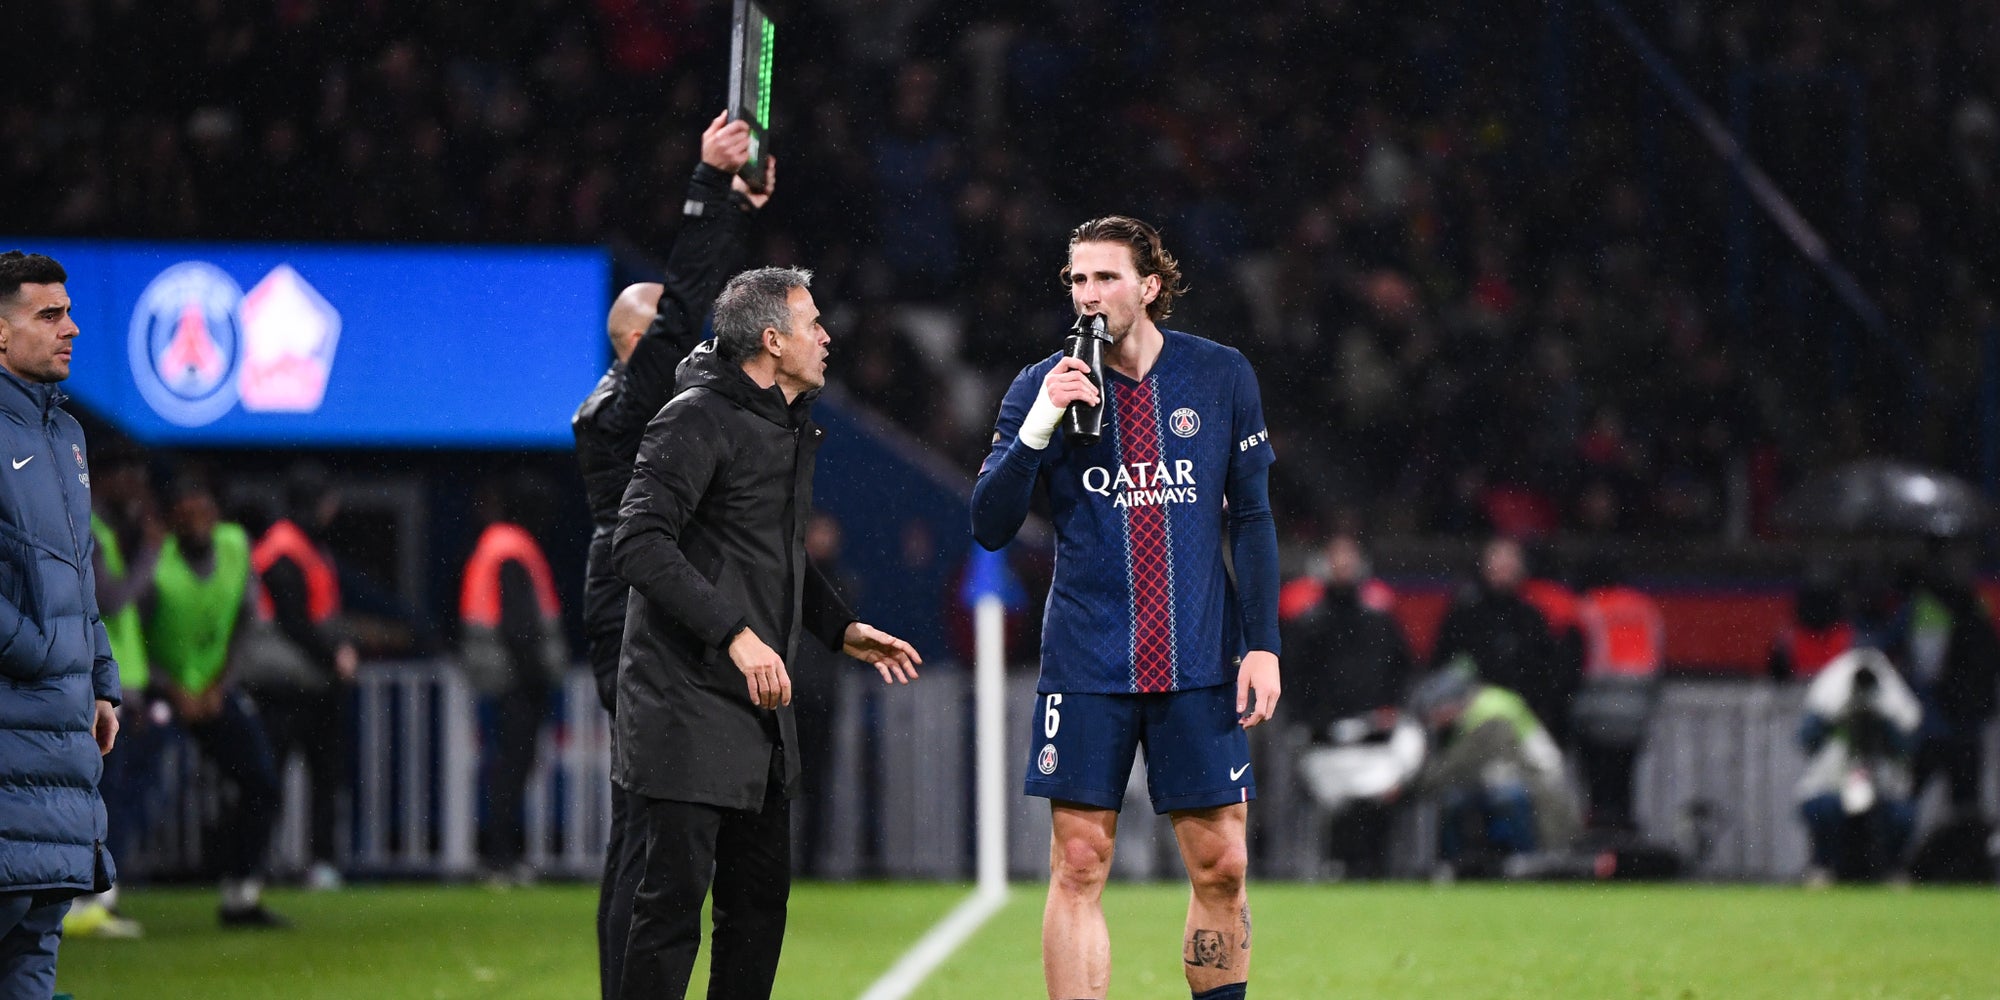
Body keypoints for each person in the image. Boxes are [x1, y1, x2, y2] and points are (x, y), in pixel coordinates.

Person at [971, 216, 1281, 1000]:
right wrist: (1038, 426)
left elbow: (1251, 519)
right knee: (1079, 864)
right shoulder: (1041, 385)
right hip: (1088, 663)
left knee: (1223, 864)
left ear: (1149, 286)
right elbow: (989, 524)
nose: (1088, 294)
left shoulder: (1220, 375)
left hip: (1198, 660)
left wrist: (1263, 644)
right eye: (1077, 279)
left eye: (1105, 277)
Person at [613, 266, 921, 1000]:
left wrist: (840, 628)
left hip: (757, 707)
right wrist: (735, 634)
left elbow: (770, 556)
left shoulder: (785, 424)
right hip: (685, 700)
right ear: (773, 340)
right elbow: (639, 542)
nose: (828, 337)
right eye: (813, 323)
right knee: (670, 913)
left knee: (756, 914)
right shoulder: (694, 417)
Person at [572, 109, 771, 1000]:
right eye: (665, 333)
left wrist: (735, 208)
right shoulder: (638, 392)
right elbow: (691, 304)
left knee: (642, 822)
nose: (691, 344)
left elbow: (700, 309)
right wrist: (707, 186)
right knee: (647, 825)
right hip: (633, 598)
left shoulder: (624, 393)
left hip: (626, 592)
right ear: (636, 342)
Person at [0, 250, 123, 993]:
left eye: (69, 312)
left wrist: (100, 679)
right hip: (14, 733)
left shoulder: (67, 435)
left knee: (33, 956)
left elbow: (76, 574)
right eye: (49, 315)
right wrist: (43, 651)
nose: (71, 328)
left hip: (61, 747)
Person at [141, 466, 287, 927]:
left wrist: (220, 684)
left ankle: (241, 894)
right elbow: (129, 635)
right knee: (127, 784)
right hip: (158, 690)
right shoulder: (154, 557)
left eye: (204, 511)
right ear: (171, 520)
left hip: (214, 689)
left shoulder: (235, 545)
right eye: (185, 515)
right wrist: (170, 689)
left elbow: (247, 621)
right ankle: (97, 897)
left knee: (261, 782)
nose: (197, 522)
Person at [244, 461, 357, 891]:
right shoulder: (283, 548)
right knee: (268, 776)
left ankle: (318, 862)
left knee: (324, 777)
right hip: (282, 684)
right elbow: (293, 620)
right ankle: (257, 862)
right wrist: (336, 654)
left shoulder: (308, 546)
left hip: (313, 685)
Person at [66, 443, 160, 940]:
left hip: (122, 686)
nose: (138, 487)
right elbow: (112, 601)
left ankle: (99, 898)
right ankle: (89, 901)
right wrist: (150, 555)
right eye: (131, 475)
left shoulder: (110, 530)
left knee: (118, 797)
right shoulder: (91, 529)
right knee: (104, 797)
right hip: (103, 689)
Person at [1280, 533, 1413, 878]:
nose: (1343, 566)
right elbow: (1294, 685)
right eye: (1336, 558)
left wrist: (1387, 714)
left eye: (1349, 558)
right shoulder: (1307, 625)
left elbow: (1401, 674)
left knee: (1381, 796)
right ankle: (1331, 865)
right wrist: (1315, 725)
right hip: (1324, 742)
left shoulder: (1379, 622)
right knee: (1335, 804)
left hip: (1375, 741)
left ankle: (1374, 868)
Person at [459, 473, 569, 886]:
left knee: (505, 767)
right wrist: (540, 677)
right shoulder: (513, 550)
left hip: (497, 676)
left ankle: (499, 856)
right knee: (511, 769)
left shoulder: (494, 545)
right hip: (515, 680)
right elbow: (519, 626)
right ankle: (500, 858)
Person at [1407, 664, 1580, 872]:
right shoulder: (1487, 701)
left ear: (1449, 703)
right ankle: (1470, 863)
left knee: (1500, 796)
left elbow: (1457, 764)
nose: (1434, 721)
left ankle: (1523, 860)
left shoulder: (1488, 714)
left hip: (1538, 787)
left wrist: (1410, 785)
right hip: (1532, 781)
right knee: (1464, 797)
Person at [1795, 648, 1921, 885]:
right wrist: (1836, 717)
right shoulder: (1834, 693)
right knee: (1822, 809)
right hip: (1835, 779)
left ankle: (1893, 870)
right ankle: (1822, 867)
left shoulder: (1888, 696)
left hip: (1881, 781)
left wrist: (1882, 722)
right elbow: (1806, 740)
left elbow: (1908, 745)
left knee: (1901, 815)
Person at [1431, 537, 1572, 743]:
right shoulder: (1463, 615)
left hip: (1524, 720)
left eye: (1510, 562)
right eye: (1497, 561)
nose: (1504, 568)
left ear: (1522, 568)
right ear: (1483, 566)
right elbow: (1443, 667)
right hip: (1471, 720)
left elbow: (1547, 674)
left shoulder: (1531, 618)